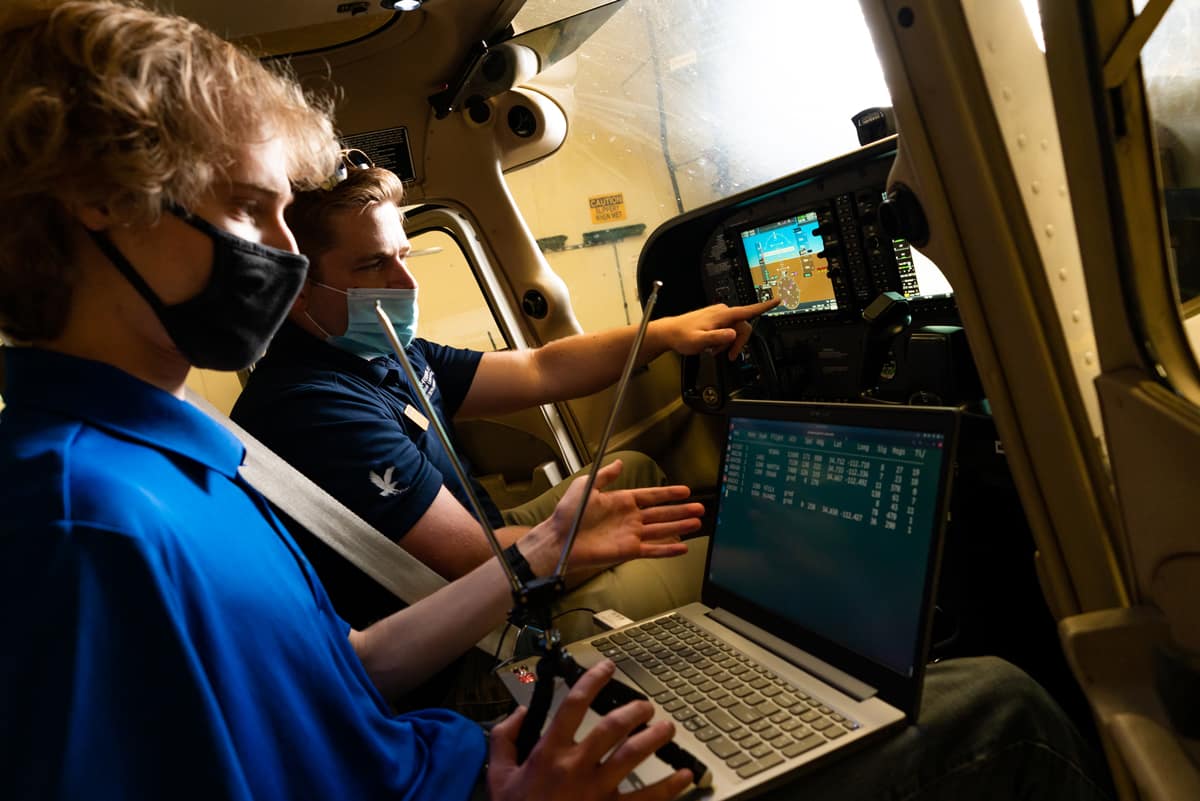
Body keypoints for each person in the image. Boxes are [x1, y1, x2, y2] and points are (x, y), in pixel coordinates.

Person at [0, 3, 1114, 801]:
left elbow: (334, 680)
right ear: (105, 203)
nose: (286, 258)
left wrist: (533, 568)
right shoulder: (83, 520)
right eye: (253, 213)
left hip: (463, 756)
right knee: (1000, 703)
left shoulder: (166, 455)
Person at [231, 162, 777, 639]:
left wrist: (664, 333)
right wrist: (599, 541)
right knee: (736, 568)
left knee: (632, 470)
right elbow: (478, 564)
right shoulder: (312, 408)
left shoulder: (379, 353)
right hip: (476, 631)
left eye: (404, 254)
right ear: (296, 285)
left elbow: (540, 369)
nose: (406, 282)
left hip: (484, 548)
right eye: (373, 265)